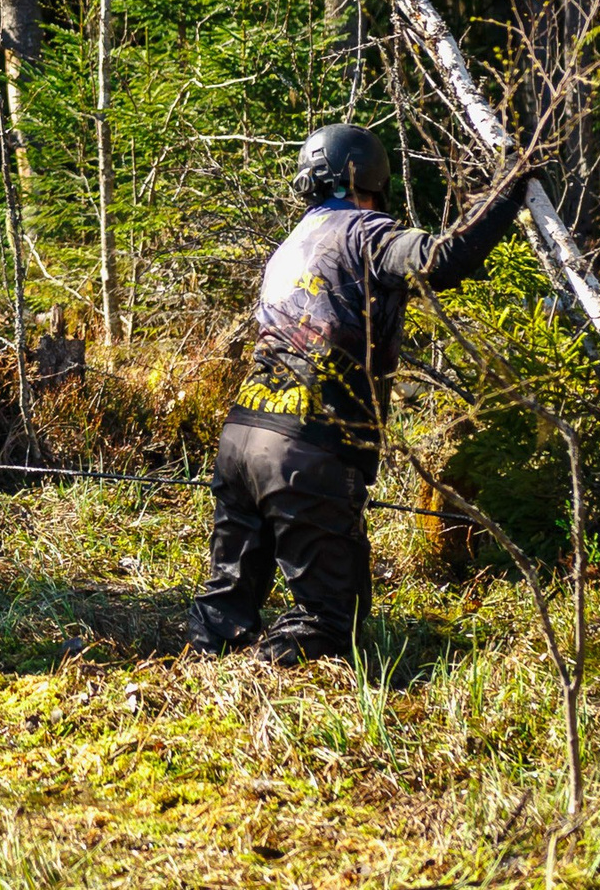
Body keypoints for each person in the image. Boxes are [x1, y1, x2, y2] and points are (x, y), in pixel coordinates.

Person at [187, 123, 530, 665]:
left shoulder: (290, 245)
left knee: (225, 601)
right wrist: (510, 187)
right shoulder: (367, 232)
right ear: (373, 178)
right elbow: (442, 259)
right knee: (328, 622)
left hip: (242, 437)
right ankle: (267, 688)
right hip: (308, 450)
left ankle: (196, 684)